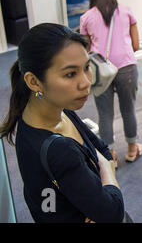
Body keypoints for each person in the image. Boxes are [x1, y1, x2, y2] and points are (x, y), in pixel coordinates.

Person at [0, 23, 124, 222]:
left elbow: (102, 149)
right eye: (70, 74)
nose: (86, 82)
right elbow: (113, 213)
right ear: (34, 81)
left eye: (86, 68)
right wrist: (108, 171)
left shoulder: (59, 109)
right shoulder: (58, 148)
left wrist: (103, 165)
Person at [80, 0, 142, 166]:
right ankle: (132, 150)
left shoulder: (86, 17)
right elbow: (136, 44)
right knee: (128, 109)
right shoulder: (126, 11)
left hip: (100, 71)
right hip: (126, 67)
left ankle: (110, 157)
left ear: (93, 0)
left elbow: (84, 50)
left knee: (104, 113)